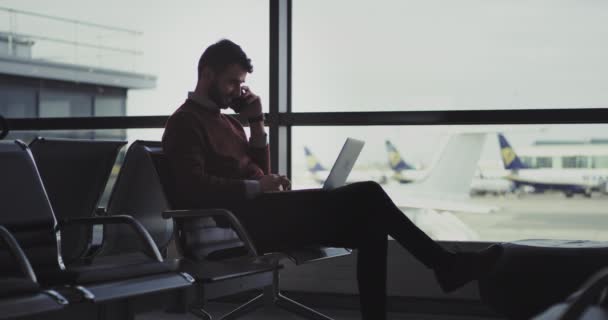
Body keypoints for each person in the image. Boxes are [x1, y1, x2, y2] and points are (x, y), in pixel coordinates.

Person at [162, 39, 501, 320]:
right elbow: (192, 190)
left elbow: (258, 172)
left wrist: (256, 125)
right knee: (367, 194)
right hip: (235, 228)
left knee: (370, 227)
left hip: (258, 216)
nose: (238, 91)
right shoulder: (185, 123)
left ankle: (394, 303)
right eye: (232, 82)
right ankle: (445, 265)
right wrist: (255, 188)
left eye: (241, 84)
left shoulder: (230, 124)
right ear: (207, 74)